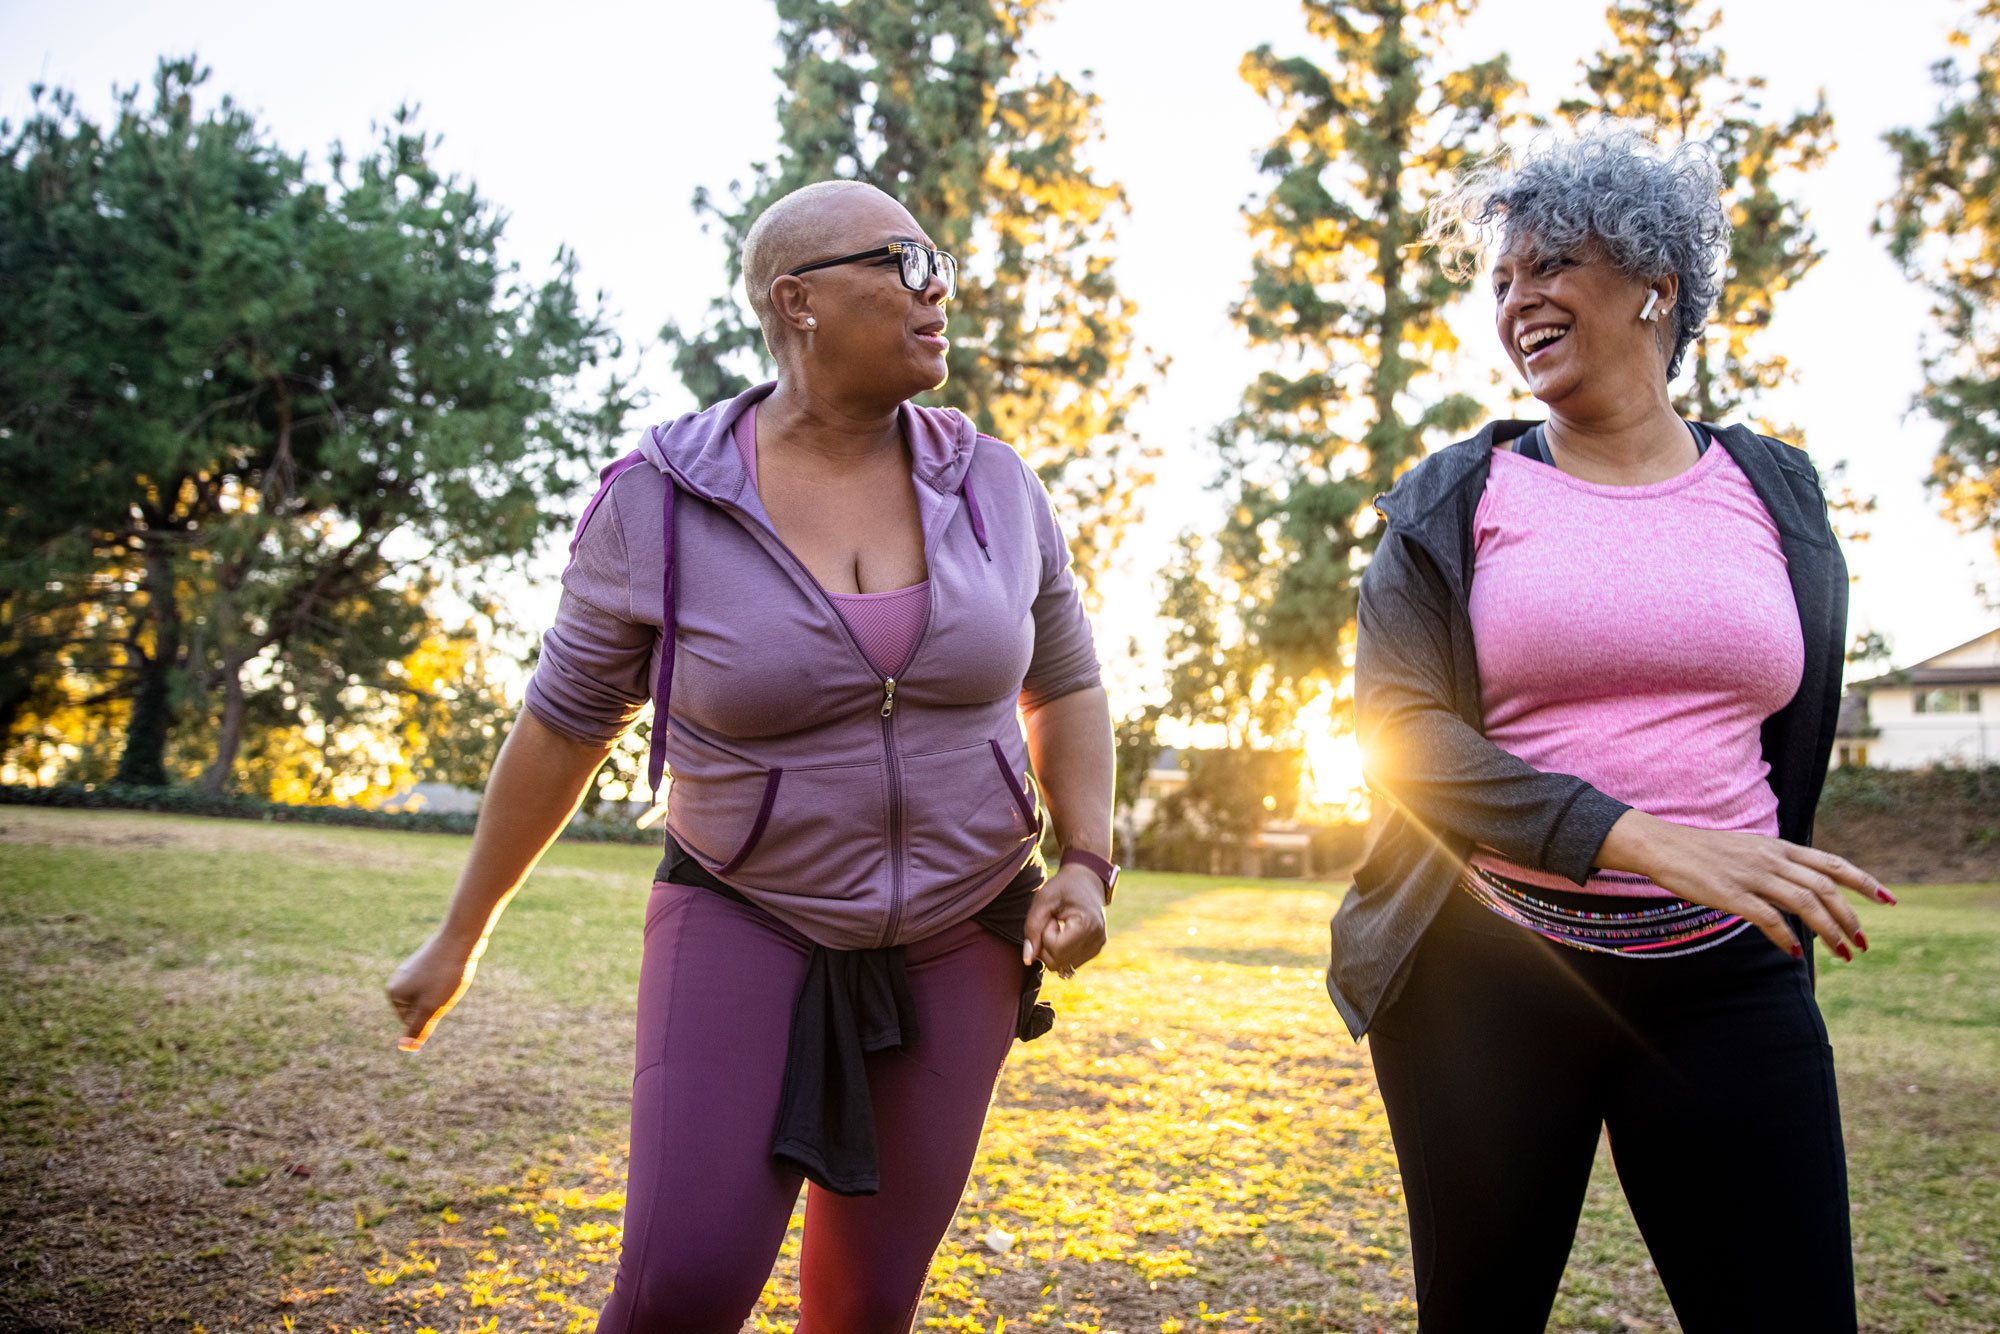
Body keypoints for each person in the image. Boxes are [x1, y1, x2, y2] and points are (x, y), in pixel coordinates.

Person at [384, 179, 1118, 1332]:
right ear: (798, 300)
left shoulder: (998, 485)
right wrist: (458, 934)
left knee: (869, 1301)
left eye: (943, 266)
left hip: (961, 927)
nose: (941, 293)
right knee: (681, 1285)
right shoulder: (657, 502)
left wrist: (1083, 859)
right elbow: (566, 723)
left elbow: (1064, 680)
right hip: (743, 909)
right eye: (904, 263)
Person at [1326, 128, 1893, 1332]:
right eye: (1499, 279)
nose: (1515, 297)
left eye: (1549, 266)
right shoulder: (1455, 496)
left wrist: (1725, 858)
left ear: (1653, 284)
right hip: (1489, 975)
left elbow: (1780, 713)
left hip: (1729, 978)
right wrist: (1635, 835)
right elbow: (1400, 733)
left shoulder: (1774, 490)